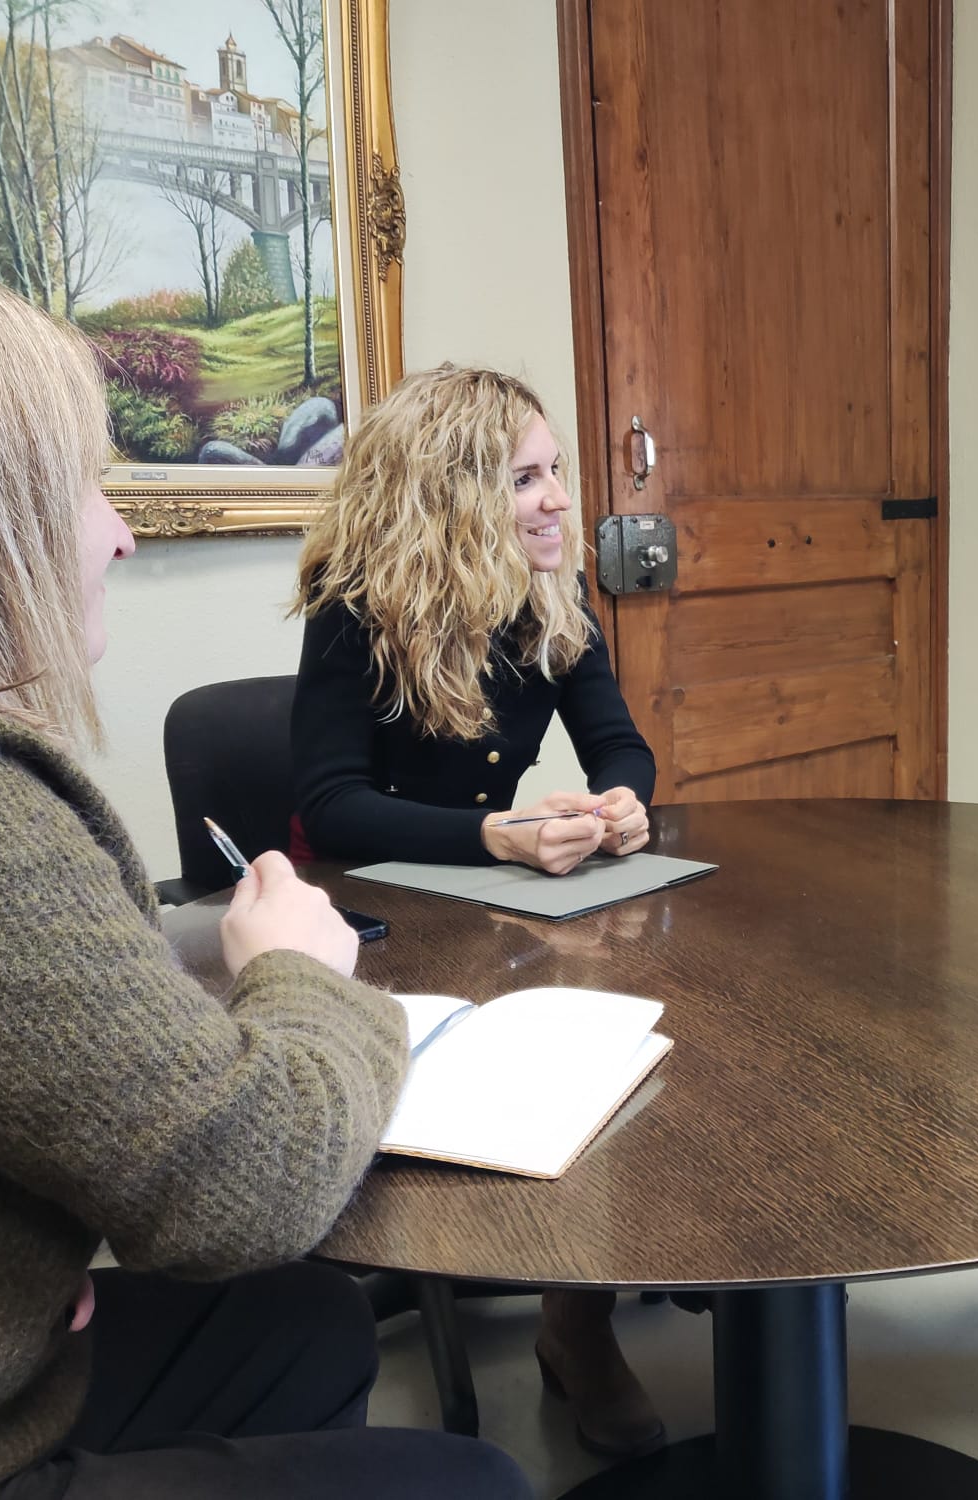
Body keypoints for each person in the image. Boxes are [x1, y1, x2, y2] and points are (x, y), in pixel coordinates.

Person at [0, 256, 529, 1498]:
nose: (120, 533)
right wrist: (302, 974)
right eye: (86, 485)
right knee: (478, 1483)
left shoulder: (544, 611)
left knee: (304, 1325)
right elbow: (247, 1184)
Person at [289, 364, 664, 1459]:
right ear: (450, 495)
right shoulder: (355, 606)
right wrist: (495, 835)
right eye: (525, 479)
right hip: (364, 912)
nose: (559, 500)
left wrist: (621, 802)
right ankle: (462, 1251)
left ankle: (573, 1321)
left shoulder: (554, 595)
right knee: (505, 1070)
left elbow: (620, 743)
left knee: (609, 1034)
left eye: (555, 471)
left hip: (490, 902)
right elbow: (333, 806)